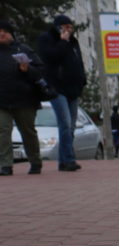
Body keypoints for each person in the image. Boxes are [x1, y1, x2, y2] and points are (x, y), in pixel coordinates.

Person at [36, 14, 87, 172]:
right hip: (57, 88)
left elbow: (78, 61)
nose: (69, 30)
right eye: (66, 27)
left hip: (73, 89)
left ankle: (65, 161)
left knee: (71, 126)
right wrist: (63, 41)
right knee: (64, 123)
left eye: (71, 27)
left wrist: (82, 80)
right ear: (58, 27)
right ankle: (68, 160)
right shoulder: (47, 39)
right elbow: (52, 57)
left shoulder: (73, 42)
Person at [0, 18, 47, 176]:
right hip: (2, 100)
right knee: (3, 131)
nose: (1, 34)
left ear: (11, 34)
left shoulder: (23, 49)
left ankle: (35, 161)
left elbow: (40, 71)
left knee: (28, 132)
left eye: (5, 32)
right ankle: (5, 165)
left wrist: (27, 69)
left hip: (25, 99)